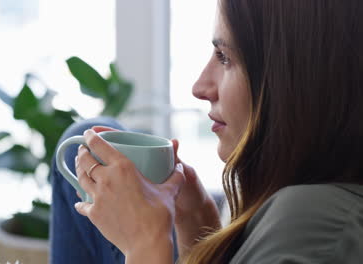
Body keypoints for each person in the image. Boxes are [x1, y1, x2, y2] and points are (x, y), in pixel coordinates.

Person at [51, 0, 363, 263]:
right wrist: (197, 225)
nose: (199, 87)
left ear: (297, 83)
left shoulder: (311, 221)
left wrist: (145, 245)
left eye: (225, 57)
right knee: (87, 132)